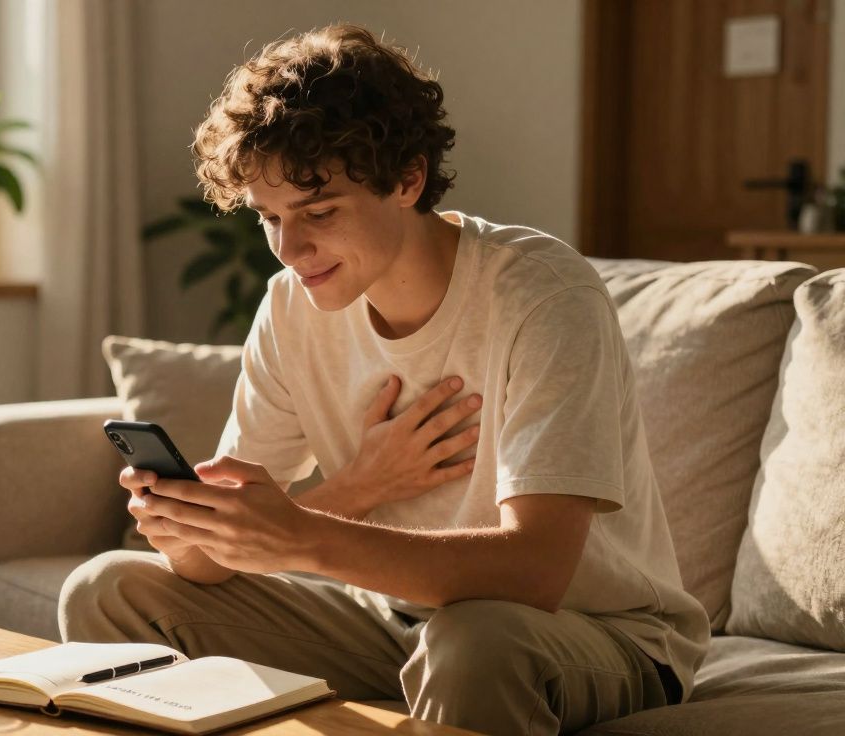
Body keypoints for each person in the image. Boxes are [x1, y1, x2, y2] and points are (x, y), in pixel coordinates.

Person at [58, 23, 708, 735]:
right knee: (108, 590)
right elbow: (213, 564)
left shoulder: (543, 296)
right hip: (395, 618)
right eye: (269, 218)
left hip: (592, 630)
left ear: (408, 179)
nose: (290, 250)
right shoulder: (290, 308)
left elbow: (536, 569)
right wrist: (194, 528)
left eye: (319, 212)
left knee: (474, 644)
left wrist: (301, 535)